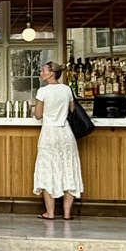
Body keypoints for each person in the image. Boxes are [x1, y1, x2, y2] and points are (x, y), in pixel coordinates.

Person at [32, 62, 84, 221]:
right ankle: (67, 213)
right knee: (69, 169)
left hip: (49, 133)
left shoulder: (42, 91)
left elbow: (38, 115)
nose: (41, 73)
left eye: (43, 70)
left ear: (51, 73)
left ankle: (50, 212)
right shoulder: (67, 89)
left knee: (48, 169)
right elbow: (72, 110)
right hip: (66, 133)